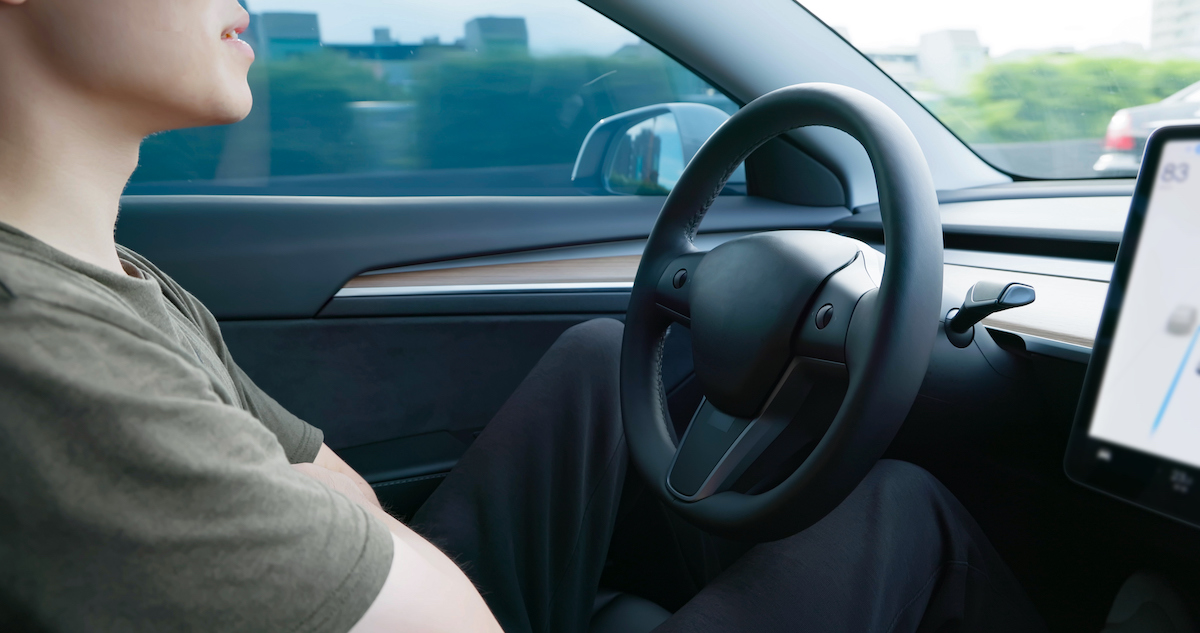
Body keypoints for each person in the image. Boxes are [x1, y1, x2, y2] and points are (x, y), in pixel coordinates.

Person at [0, 1, 1166, 632]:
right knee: (896, 515)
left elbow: (329, 482)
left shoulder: (108, 272)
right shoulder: (34, 345)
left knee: (596, 359)